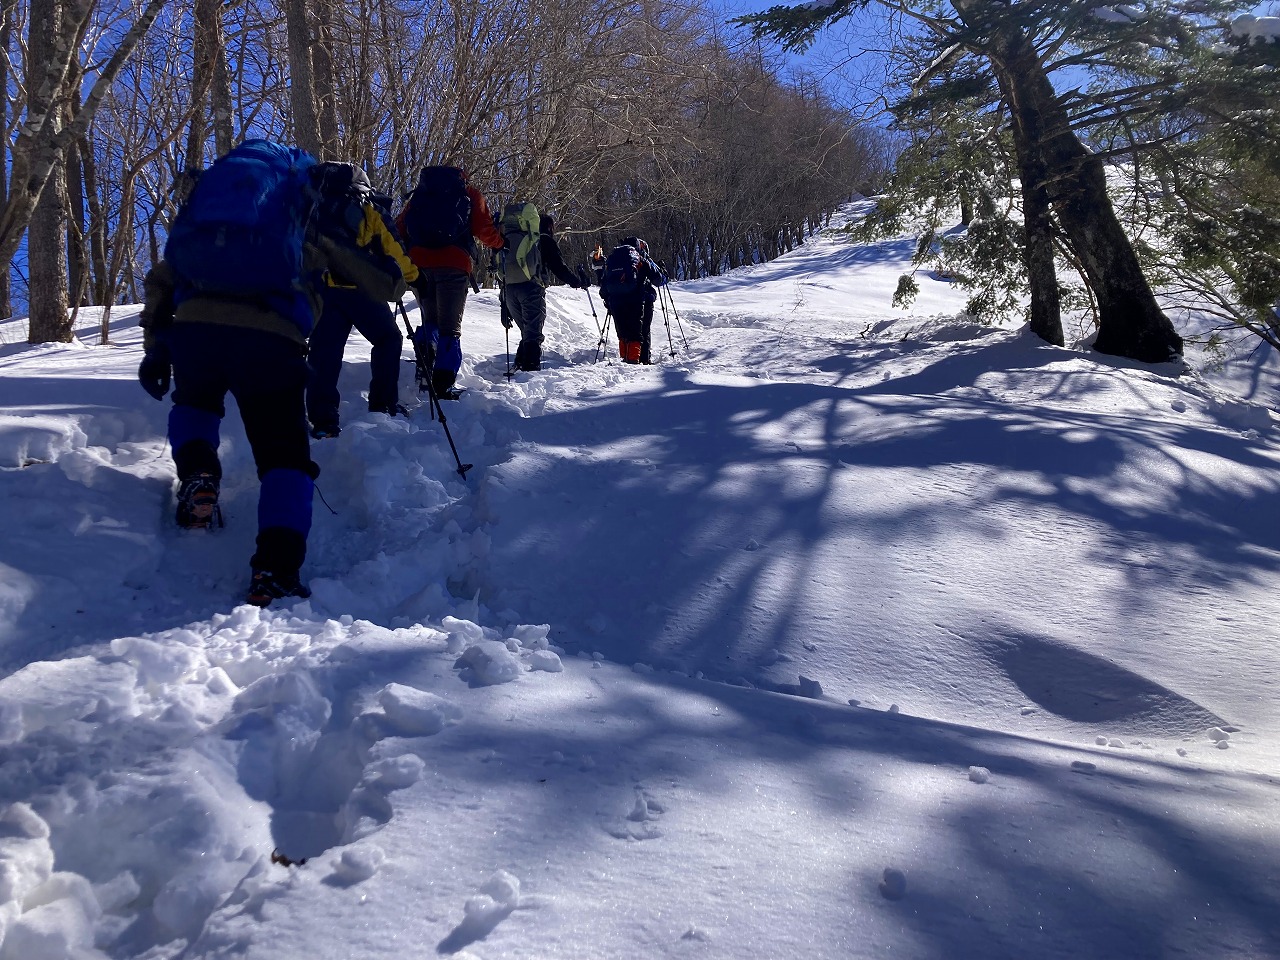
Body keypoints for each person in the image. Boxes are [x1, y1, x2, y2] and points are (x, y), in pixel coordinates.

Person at [135, 139, 398, 607]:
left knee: (196, 403)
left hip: (195, 326)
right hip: (271, 338)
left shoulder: (208, 216)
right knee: (284, 455)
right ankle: (274, 571)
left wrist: (156, 349)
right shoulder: (300, 209)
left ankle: (198, 474)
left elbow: (163, 276)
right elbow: (383, 281)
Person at [306, 168, 419, 438]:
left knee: (324, 353)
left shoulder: (312, 206)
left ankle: (323, 421)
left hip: (324, 291)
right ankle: (382, 405)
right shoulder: (368, 206)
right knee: (388, 339)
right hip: (363, 290)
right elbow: (393, 247)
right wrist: (412, 276)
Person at [396, 165, 503, 398]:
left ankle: (424, 366)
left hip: (419, 266)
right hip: (454, 264)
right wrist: (500, 243)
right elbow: (484, 228)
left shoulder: (419, 195)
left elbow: (399, 229)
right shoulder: (470, 194)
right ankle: (443, 385)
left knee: (430, 319)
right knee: (450, 327)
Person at [498, 205, 586, 372]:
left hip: (509, 289)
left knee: (527, 329)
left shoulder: (510, 238)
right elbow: (558, 266)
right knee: (533, 331)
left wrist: (503, 303)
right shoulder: (542, 240)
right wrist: (576, 282)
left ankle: (520, 361)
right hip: (531, 287)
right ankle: (529, 368)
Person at [598, 237, 668, 364]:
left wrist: (608, 300)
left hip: (616, 301)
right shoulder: (640, 259)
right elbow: (658, 279)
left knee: (623, 333)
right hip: (636, 300)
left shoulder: (613, 259)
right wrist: (663, 273)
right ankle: (638, 362)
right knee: (640, 332)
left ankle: (625, 360)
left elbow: (603, 284)